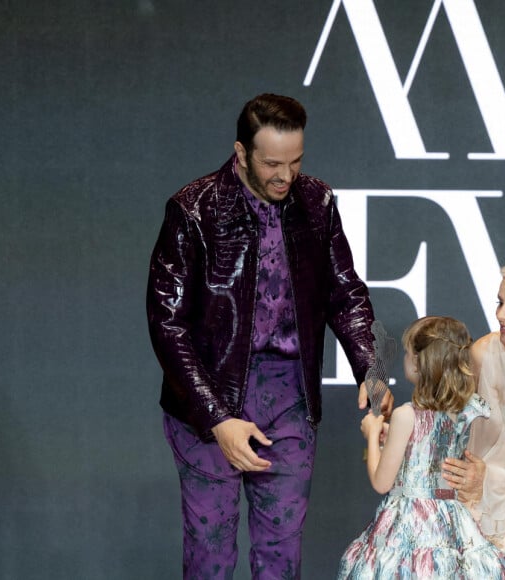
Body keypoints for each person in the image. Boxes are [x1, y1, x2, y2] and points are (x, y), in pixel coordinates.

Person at [146, 93, 394, 579]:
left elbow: (345, 292)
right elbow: (167, 322)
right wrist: (217, 418)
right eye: (273, 163)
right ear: (241, 154)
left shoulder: (316, 203)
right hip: (207, 397)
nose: (286, 176)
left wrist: (371, 365)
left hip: (289, 397)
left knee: (281, 550)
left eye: (296, 162)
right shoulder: (193, 210)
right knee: (210, 552)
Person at [337, 316, 505, 579]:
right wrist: (392, 436)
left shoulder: (406, 415)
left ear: (419, 364)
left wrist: (373, 434)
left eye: (408, 354)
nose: (404, 359)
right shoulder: (465, 411)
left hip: (408, 523)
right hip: (452, 521)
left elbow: (382, 482)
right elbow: (428, 449)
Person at [442, 257, 505, 574]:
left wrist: (492, 483)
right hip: (488, 515)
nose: (501, 314)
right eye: (500, 302)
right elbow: (470, 437)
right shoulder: (484, 353)